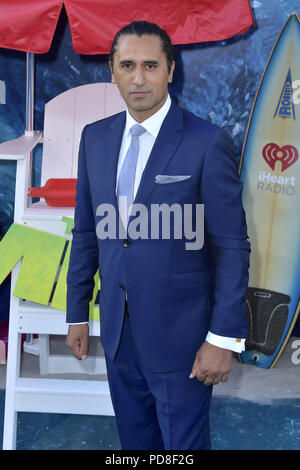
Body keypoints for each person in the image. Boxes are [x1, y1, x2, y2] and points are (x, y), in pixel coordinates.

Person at [66, 21, 250, 450]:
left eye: (151, 65)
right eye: (127, 65)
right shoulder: (95, 138)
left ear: (171, 70)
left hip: (183, 339)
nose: (138, 77)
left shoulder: (207, 142)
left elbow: (231, 247)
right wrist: (77, 312)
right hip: (118, 333)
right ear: (111, 71)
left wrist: (222, 338)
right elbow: (87, 231)